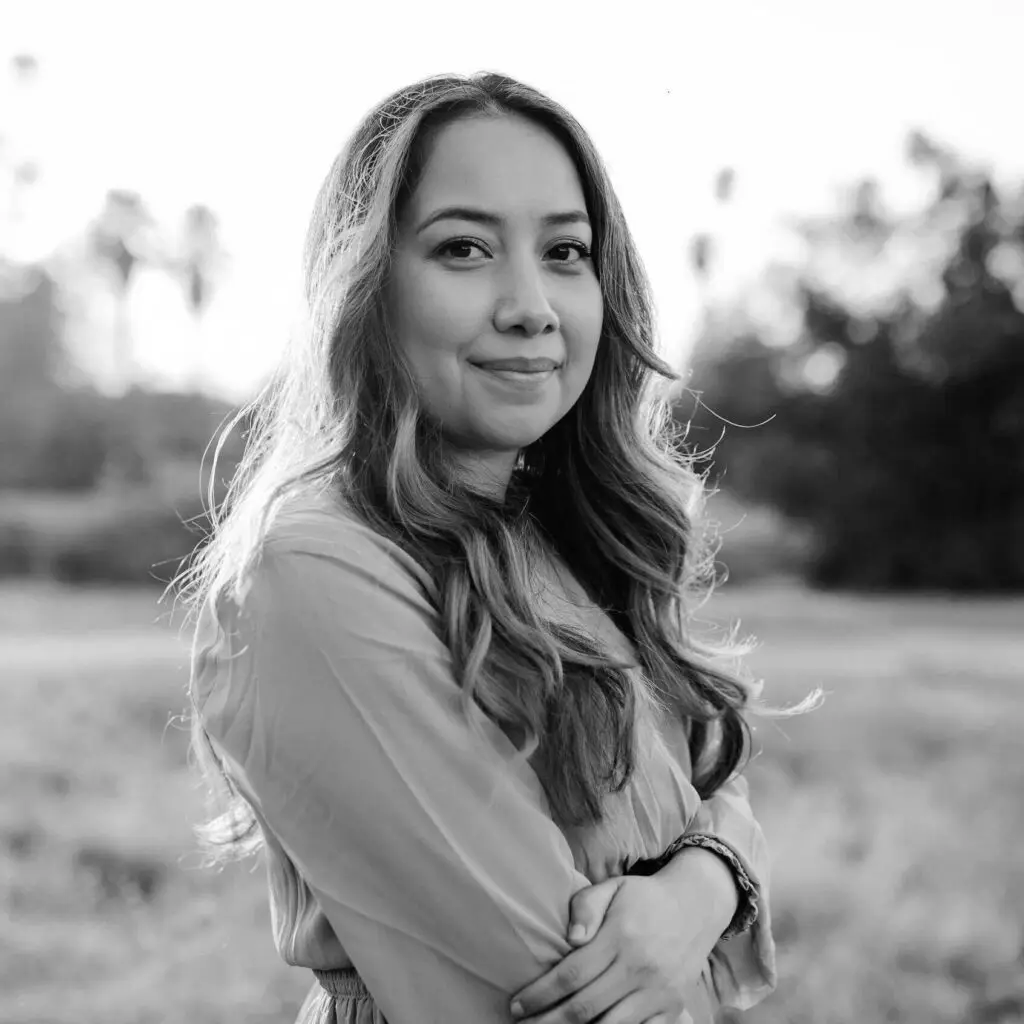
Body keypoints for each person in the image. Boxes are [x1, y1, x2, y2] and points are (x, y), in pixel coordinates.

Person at [181, 71, 788, 1024]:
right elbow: (553, 987)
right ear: (365, 285)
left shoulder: (564, 536)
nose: (530, 305)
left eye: (564, 251)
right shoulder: (313, 568)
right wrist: (709, 884)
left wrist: (704, 883)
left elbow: (713, 786)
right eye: (463, 248)